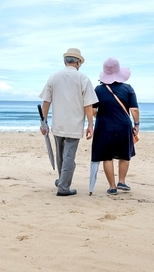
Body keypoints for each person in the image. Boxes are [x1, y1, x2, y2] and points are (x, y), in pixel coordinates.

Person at [40, 48, 98, 196]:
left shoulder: (54, 77)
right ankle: (64, 187)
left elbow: (46, 102)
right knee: (68, 157)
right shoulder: (83, 78)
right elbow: (88, 105)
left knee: (61, 156)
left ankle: (62, 181)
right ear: (78, 61)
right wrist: (90, 125)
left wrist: (43, 121)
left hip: (58, 123)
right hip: (74, 124)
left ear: (65, 61)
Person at [91, 57, 139, 195]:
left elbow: (93, 110)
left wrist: (100, 115)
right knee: (125, 154)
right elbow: (134, 110)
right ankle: (122, 181)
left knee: (107, 156)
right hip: (123, 125)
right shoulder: (128, 88)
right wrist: (137, 124)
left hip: (104, 126)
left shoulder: (98, 90)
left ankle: (112, 187)